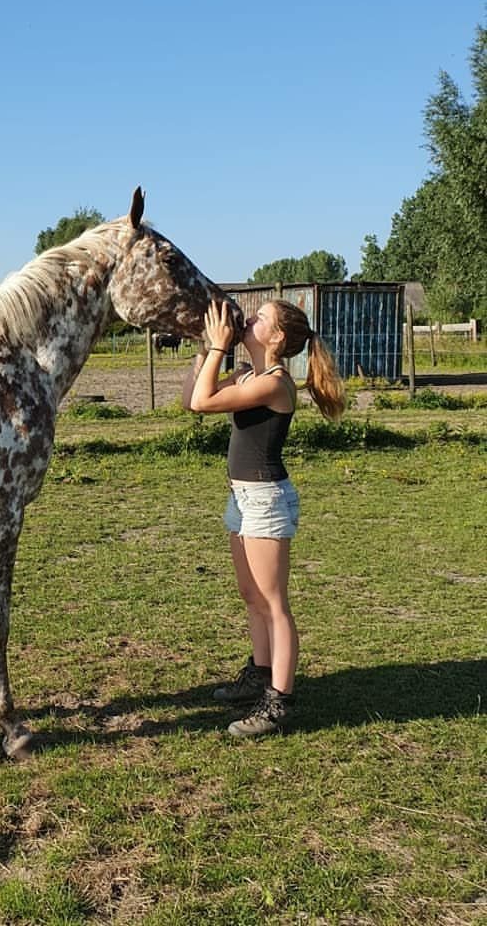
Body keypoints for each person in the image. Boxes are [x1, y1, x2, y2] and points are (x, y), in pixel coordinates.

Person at [182, 298, 346, 737]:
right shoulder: (247, 375)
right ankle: (259, 672)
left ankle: (279, 702)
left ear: (276, 337)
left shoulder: (275, 384)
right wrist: (205, 349)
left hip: (265, 501)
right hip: (242, 499)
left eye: (260, 318)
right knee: (251, 596)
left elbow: (203, 402)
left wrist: (218, 347)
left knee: (274, 605)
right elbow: (191, 399)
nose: (248, 319)